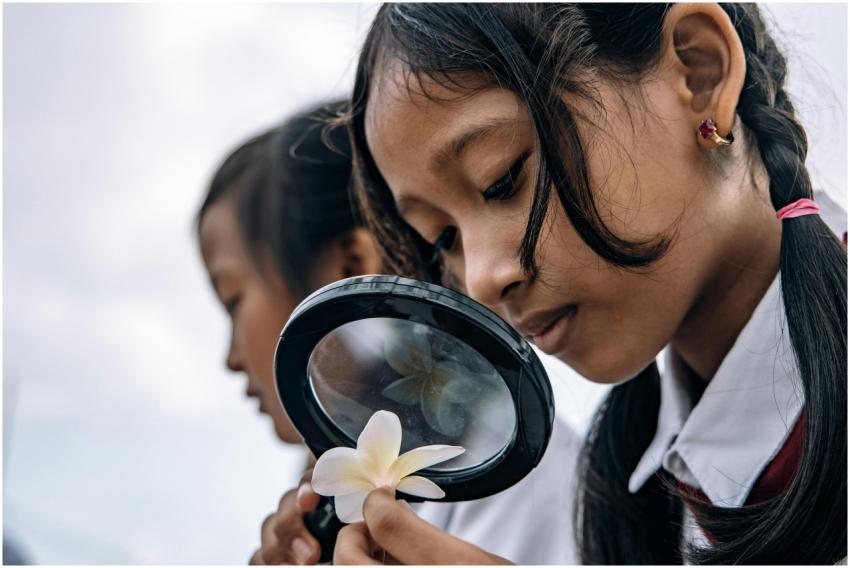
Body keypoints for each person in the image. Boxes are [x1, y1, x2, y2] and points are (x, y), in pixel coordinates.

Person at [329, 3, 847, 564]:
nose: (479, 280)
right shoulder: (636, 497)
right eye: (443, 238)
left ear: (699, 72)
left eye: (501, 179)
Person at [197, 102, 596, 564]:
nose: (230, 357)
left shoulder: (537, 493)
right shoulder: (327, 496)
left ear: (350, 266)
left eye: (233, 301)